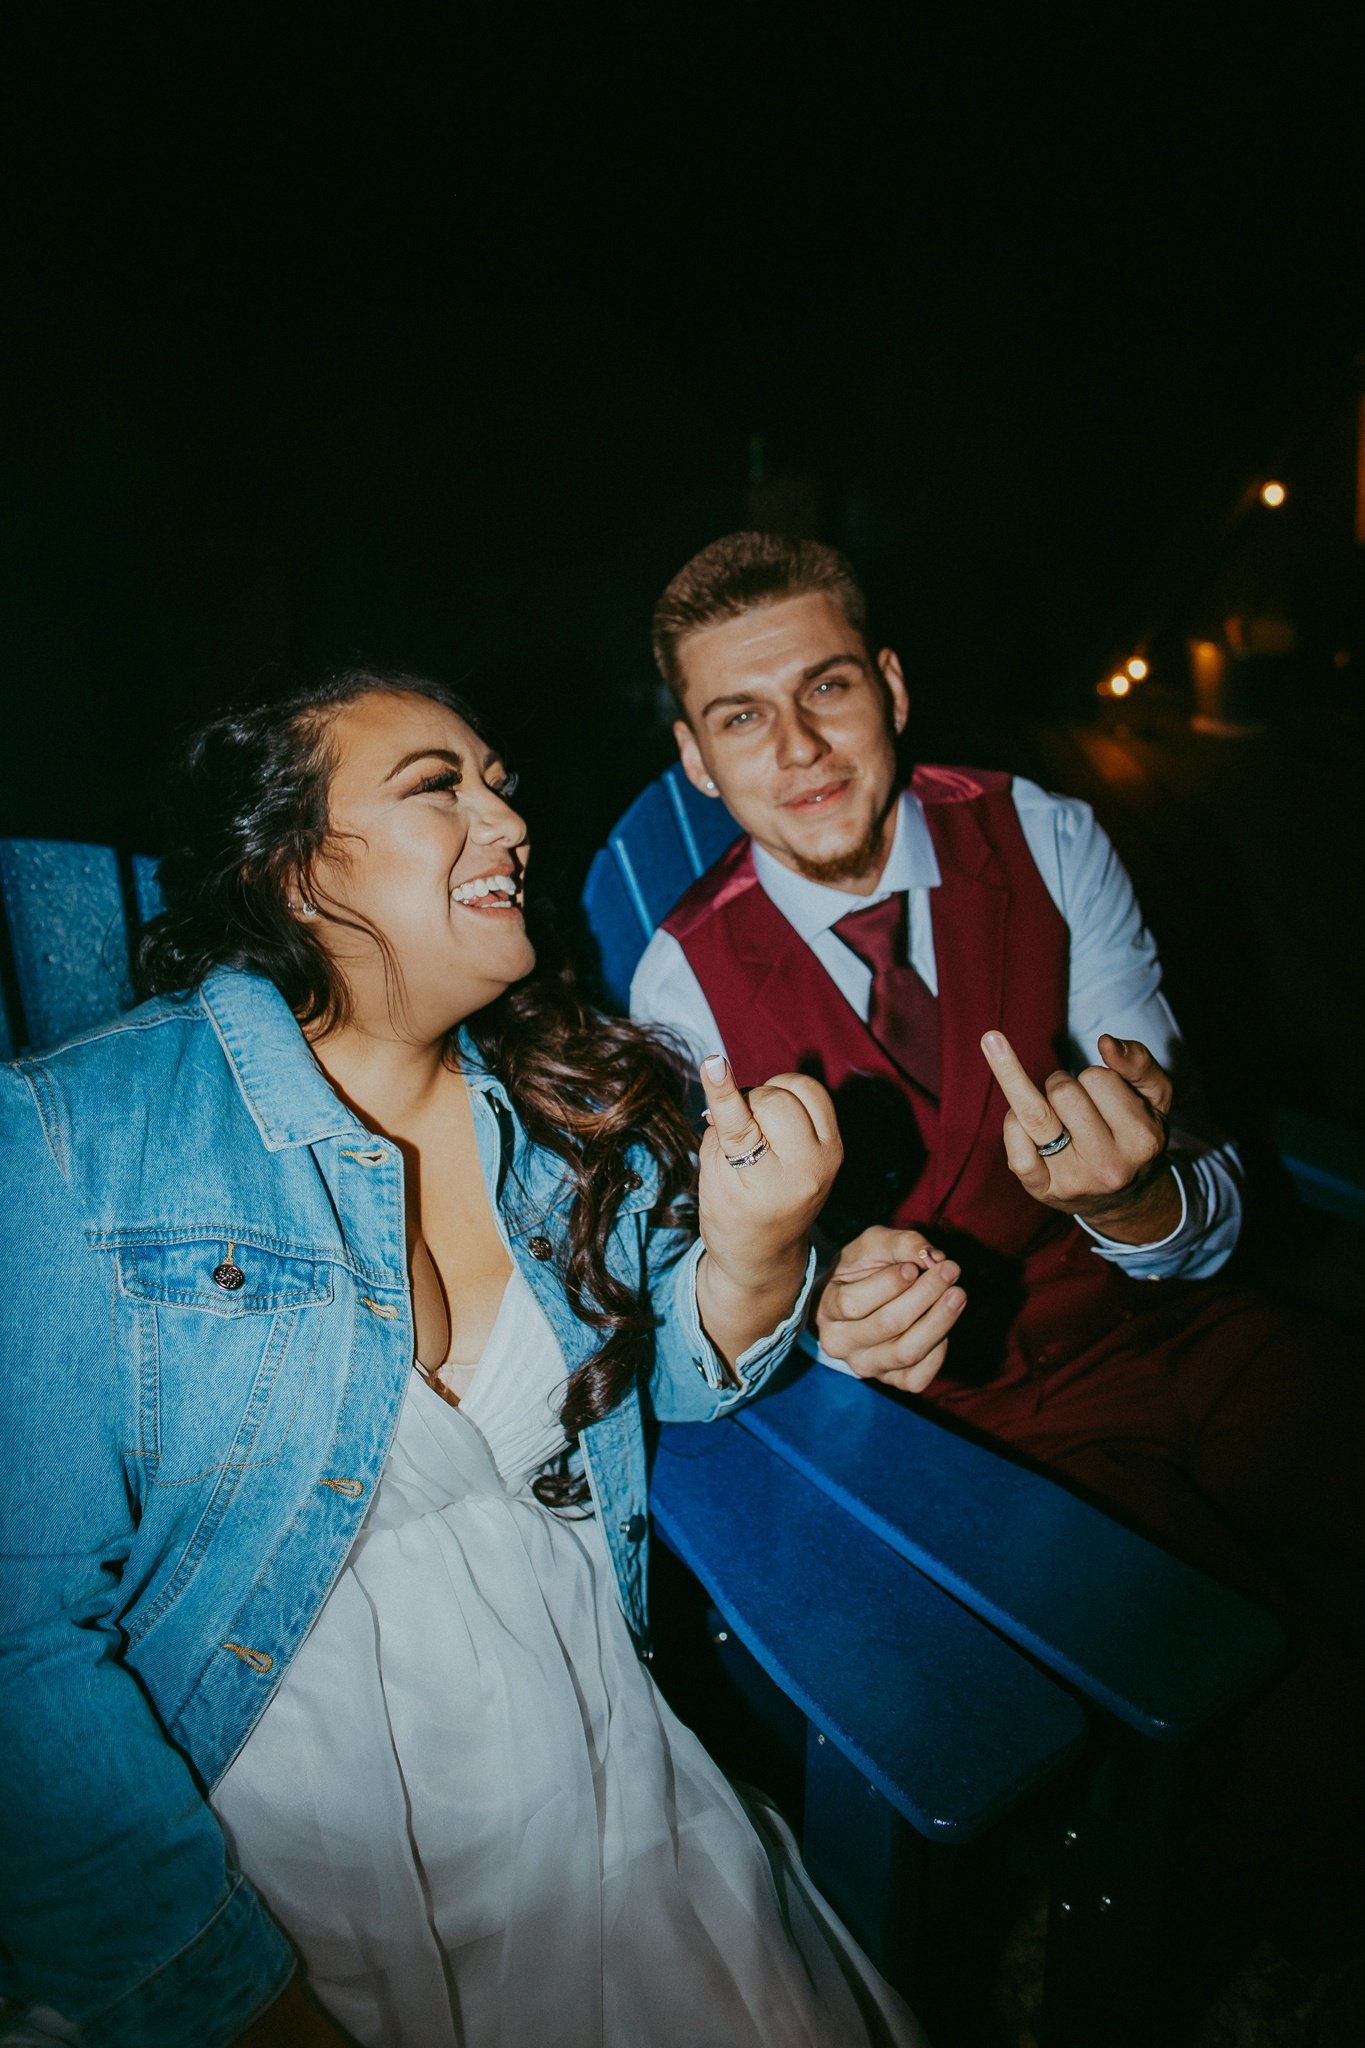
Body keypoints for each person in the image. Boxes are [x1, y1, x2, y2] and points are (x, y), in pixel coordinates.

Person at [0, 669, 928, 2048]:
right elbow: (20, 1639)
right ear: (296, 869)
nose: (506, 820)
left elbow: (665, 1374)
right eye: (438, 787)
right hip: (262, 1811)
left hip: (589, 1751)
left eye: (498, 782)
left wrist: (758, 1249)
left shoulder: (557, 1111)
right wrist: (218, 1997)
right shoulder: (80, 1137)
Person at [631, 533, 1364, 1957]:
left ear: (891, 685)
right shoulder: (681, 980)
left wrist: (1132, 1201)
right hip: (984, 1436)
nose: (798, 748)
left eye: (826, 686)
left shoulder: (1045, 834)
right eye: (739, 717)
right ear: (695, 762)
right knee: (1304, 1742)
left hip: (1178, 1329)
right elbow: (708, 1301)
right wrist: (813, 1299)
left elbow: (1196, 1190)